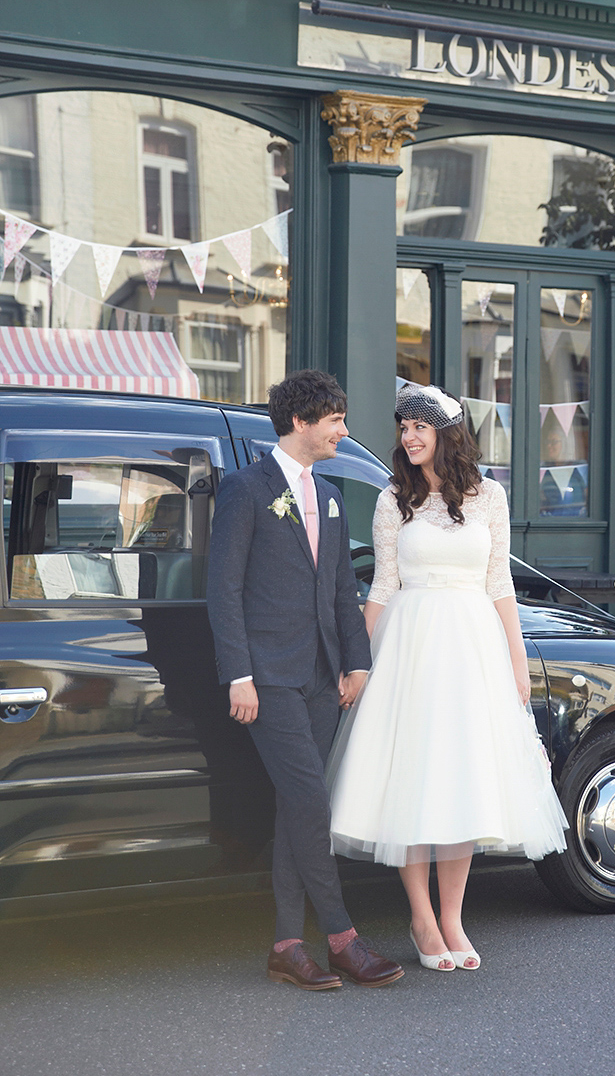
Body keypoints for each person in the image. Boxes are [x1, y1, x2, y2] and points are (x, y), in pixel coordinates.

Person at [327, 382, 567, 972]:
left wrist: (517, 665)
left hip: (473, 648)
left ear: (446, 434)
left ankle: (454, 916)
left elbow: (500, 586)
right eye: (403, 427)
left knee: (462, 781)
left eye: (418, 427)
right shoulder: (393, 499)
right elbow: (383, 585)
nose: (407, 437)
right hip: (409, 647)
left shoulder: (489, 497)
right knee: (413, 777)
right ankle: (421, 918)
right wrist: (356, 657)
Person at [206, 369, 403, 992]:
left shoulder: (335, 496)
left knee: (300, 806)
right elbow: (224, 590)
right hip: (267, 681)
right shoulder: (246, 488)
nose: (343, 431)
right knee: (311, 803)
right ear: (300, 422)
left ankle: (287, 945)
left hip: (324, 679)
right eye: (335, 420)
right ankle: (342, 937)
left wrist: (357, 662)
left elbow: (344, 591)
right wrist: (238, 675)